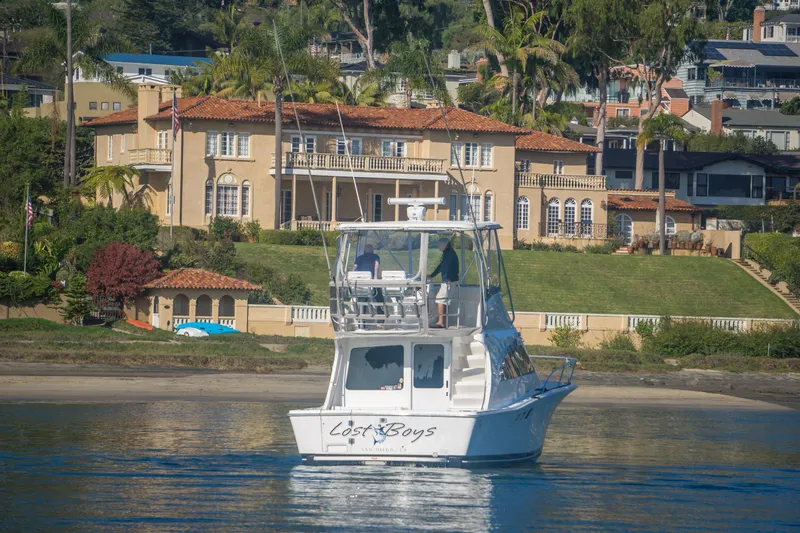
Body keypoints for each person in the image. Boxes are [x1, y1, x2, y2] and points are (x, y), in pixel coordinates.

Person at [429, 237, 458, 328]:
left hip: (448, 281)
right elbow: (441, 266)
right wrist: (432, 275)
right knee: (442, 299)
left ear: (444, 244)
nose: (438, 246)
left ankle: (441, 322)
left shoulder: (449, 254)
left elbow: (446, 267)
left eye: (439, 244)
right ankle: (442, 321)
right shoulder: (447, 253)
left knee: (440, 299)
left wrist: (447, 278)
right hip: (448, 280)